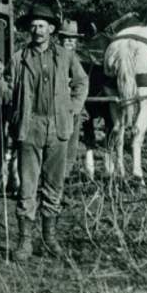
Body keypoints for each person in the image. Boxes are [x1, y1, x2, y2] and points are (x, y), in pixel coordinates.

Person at [0, 5, 89, 261]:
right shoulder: (19, 57)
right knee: (27, 187)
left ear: (51, 29)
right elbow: (6, 95)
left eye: (41, 26)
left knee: (54, 186)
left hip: (58, 128)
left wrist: (72, 110)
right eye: (33, 26)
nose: (36, 30)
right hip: (29, 127)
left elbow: (81, 82)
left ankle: (50, 239)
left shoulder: (65, 57)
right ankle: (25, 242)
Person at [57, 19, 93, 181]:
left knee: (71, 143)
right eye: (66, 37)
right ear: (60, 38)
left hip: (71, 108)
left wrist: (75, 106)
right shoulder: (54, 54)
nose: (70, 40)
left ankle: (62, 178)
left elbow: (82, 81)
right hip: (50, 106)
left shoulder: (77, 58)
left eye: (74, 38)